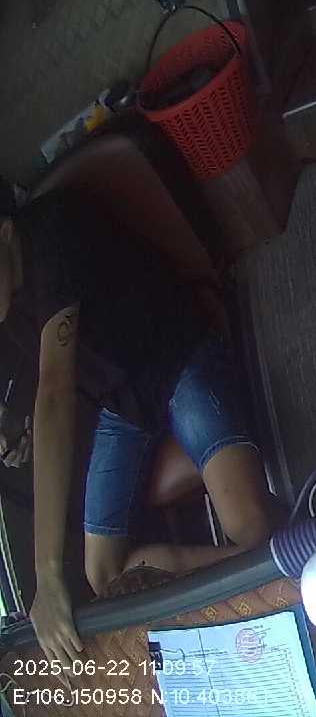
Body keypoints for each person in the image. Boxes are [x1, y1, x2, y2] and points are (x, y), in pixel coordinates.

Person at [0, 191, 273, 667]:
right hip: (122, 404)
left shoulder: (54, 231)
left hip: (177, 357)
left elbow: (56, 392)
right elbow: (47, 386)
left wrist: (47, 576)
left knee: (251, 527)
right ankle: (260, 566)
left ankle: (271, 557)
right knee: (106, 577)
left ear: (5, 232)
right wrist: (22, 430)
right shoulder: (11, 305)